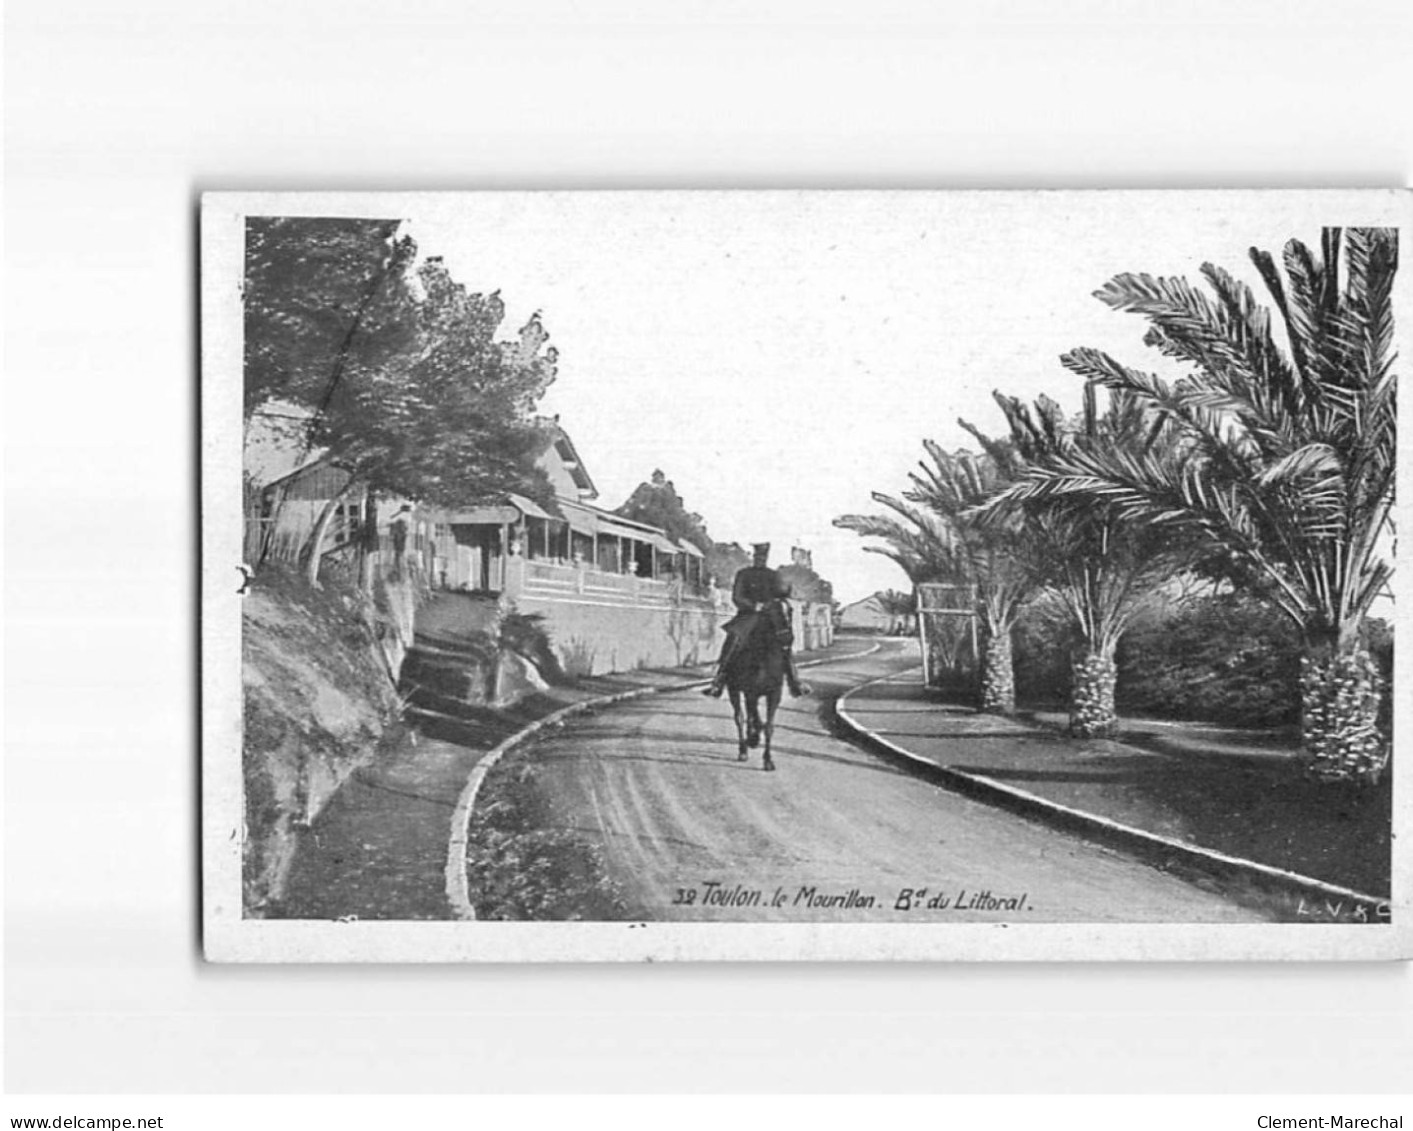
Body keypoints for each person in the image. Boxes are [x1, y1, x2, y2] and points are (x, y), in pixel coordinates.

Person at [703, 542, 809, 698]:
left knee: (784, 643)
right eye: (758, 556)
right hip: (748, 616)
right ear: (754, 557)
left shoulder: (773, 575)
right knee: (734, 640)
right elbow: (737, 597)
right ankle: (719, 680)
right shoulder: (743, 574)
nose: (761, 559)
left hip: (770, 617)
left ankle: (794, 682)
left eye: (764, 557)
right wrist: (753, 605)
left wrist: (785, 592)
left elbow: (779, 593)